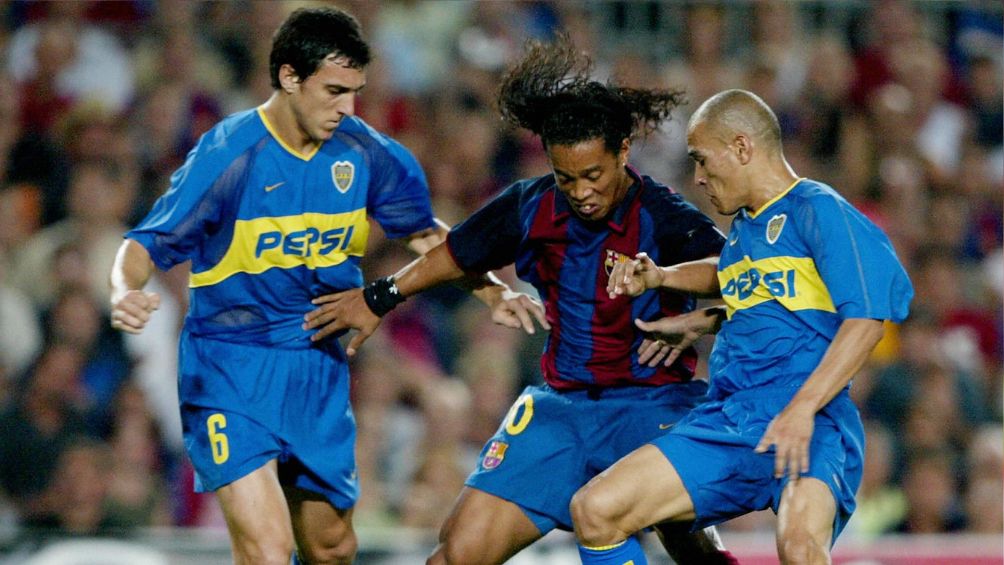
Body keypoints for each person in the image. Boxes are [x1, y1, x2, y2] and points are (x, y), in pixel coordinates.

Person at [108, 8, 527, 565]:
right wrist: (124, 289)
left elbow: (426, 235)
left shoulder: (367, 154)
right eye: (333, 91)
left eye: (354, 92)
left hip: (317, 368)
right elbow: (144, 243)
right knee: (266, 549)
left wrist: (492, 290)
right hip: (231, 368)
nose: (346, 107)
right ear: (288, 76)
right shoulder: (229, 154)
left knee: (331, 548)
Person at [303, 37, 738, 564]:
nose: (581, 192)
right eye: (566, 177)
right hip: (562, 410)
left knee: (686, 540)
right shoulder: (531, 207)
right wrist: (379, 297)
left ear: (623, 151)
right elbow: (453, 254)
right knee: (455, 555)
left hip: (653, 405)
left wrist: (702, 318)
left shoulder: (665, 217)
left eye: (593, 175)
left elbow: (739, 276)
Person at [569, 89, 913, 564]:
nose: (698, 177)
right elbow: (740, 283)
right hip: (730, 419)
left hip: (812, 423)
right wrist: (670, 283)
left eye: (702, 159)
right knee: (595, 510)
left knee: (800, 548)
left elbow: (867, 321)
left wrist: (802, 409)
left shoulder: (818, 209)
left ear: (742, 147)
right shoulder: (746, 232)